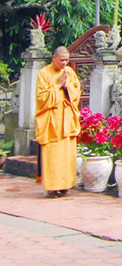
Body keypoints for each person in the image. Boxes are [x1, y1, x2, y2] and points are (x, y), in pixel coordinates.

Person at [35, 46, 81, 197]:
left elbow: (76, 92)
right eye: (61, 60)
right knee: (52, 155)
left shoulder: (70, 72)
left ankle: (65, 185)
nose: (64, 63)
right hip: (51, 122)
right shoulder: (44, 73)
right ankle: (52, 187)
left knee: (67, 154)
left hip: (67, 120)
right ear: (53, 58)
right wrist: (58, 85)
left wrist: (67, 87)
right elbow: (41, 98)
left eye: (67, 60)